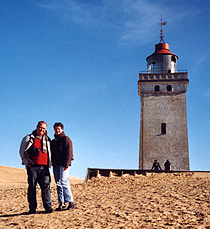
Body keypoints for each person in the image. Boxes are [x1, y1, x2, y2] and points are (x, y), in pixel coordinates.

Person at [19, 121, 53, 214]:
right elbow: (22, 151)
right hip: (32, 167)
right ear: (37, 127)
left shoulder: (47, 139)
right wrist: (27, 163)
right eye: (40, 127)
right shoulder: (29, 138)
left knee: (46, 187)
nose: (42, 130)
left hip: (44, 167)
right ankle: (32, 208)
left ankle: (48, 206)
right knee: (32, 187)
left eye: (44, 128)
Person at [51, 122, 74, 211]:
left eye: (59, 129)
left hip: (64, 164)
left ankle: (70, 201)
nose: (57, 130)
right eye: (56, 129)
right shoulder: (53, 142)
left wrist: (67, 164)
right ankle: (61, 203)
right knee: (58, 183)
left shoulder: (66, 139)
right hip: (56, 164)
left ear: (62, 129)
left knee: (64, 182)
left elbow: (69, 152)